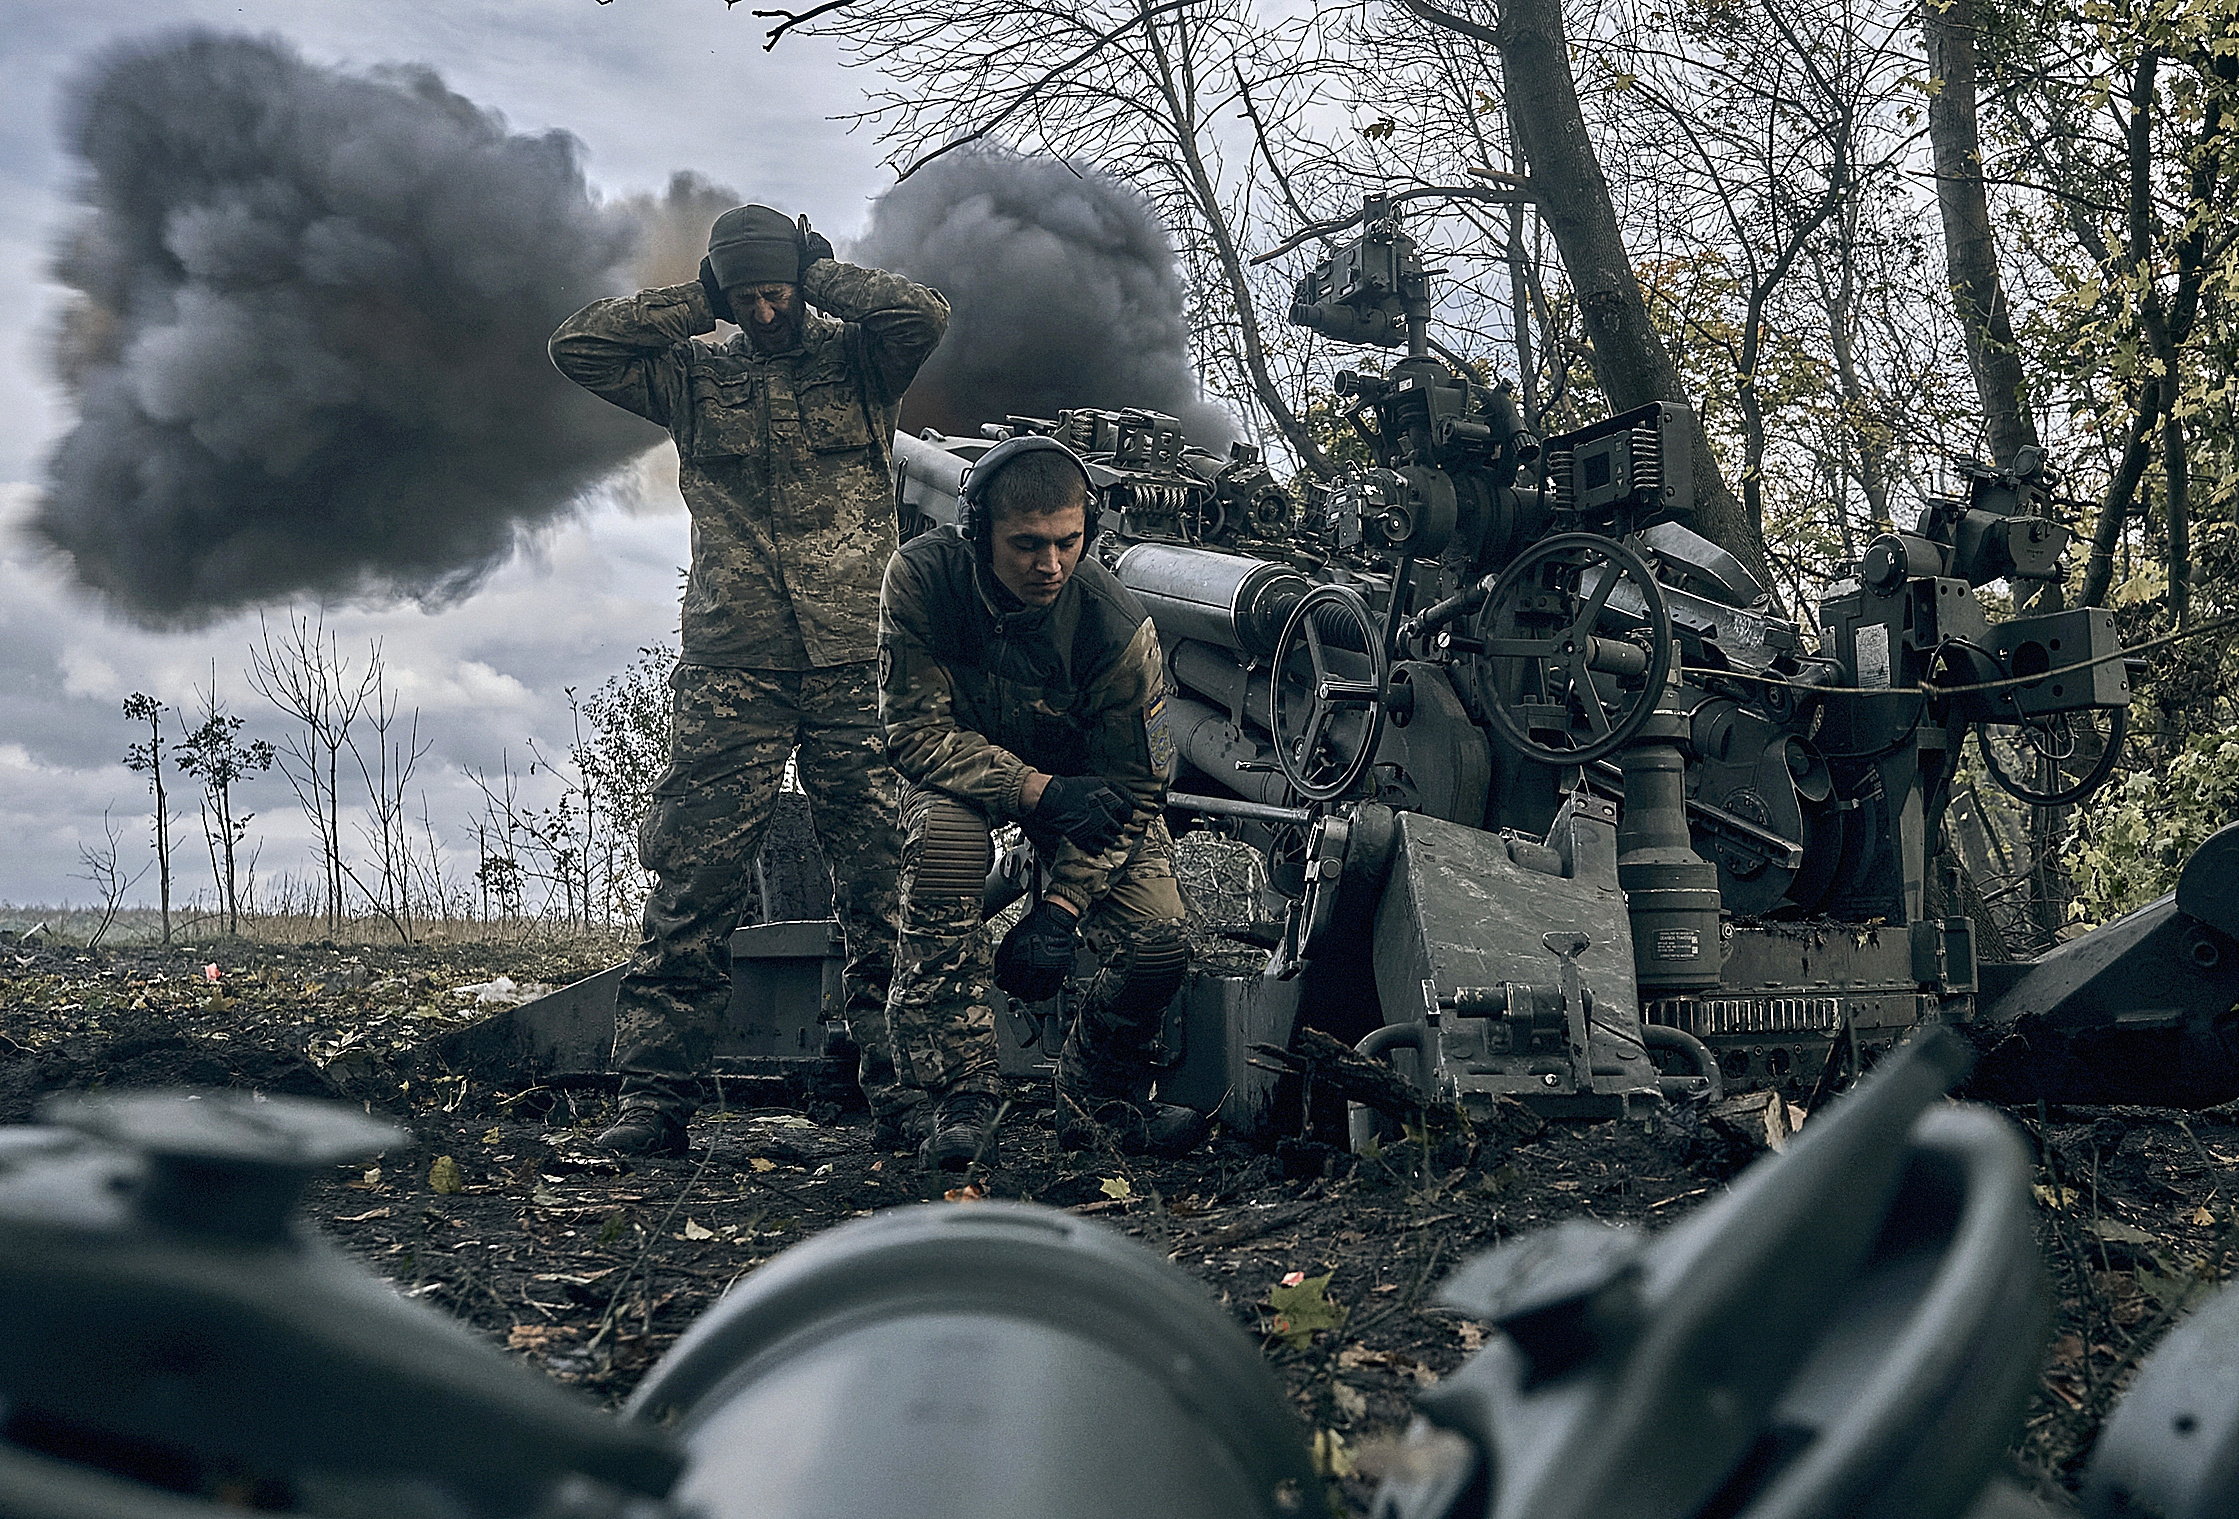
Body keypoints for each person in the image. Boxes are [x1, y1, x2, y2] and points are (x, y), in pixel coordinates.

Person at [550, 205, 948, 1156]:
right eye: (750, 298)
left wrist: (821, 275)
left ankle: (906, 1097)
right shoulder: (691, 372)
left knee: (886, 879)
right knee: (694, 878)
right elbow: (579, 347)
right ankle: (654, 1098)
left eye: (777, 294)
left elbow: (920, 316)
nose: (766, 313)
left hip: (860, 659)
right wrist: (697, 299)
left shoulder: (861, 361)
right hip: (736, 663)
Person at [878, 435, 1210, 1170]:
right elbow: (913, 732)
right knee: (945, 848)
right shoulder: (923, 580)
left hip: (1091, 797)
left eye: (1068, 542)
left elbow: (1139, 786)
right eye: (1026, 544)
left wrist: (1059, 909)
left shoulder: (1115, 627)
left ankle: (1098, 1099)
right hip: (963, 776)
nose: (1050, 564)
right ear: (976, 532)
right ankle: (958, 1091)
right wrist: (1035, 791)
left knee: (1160, 940)